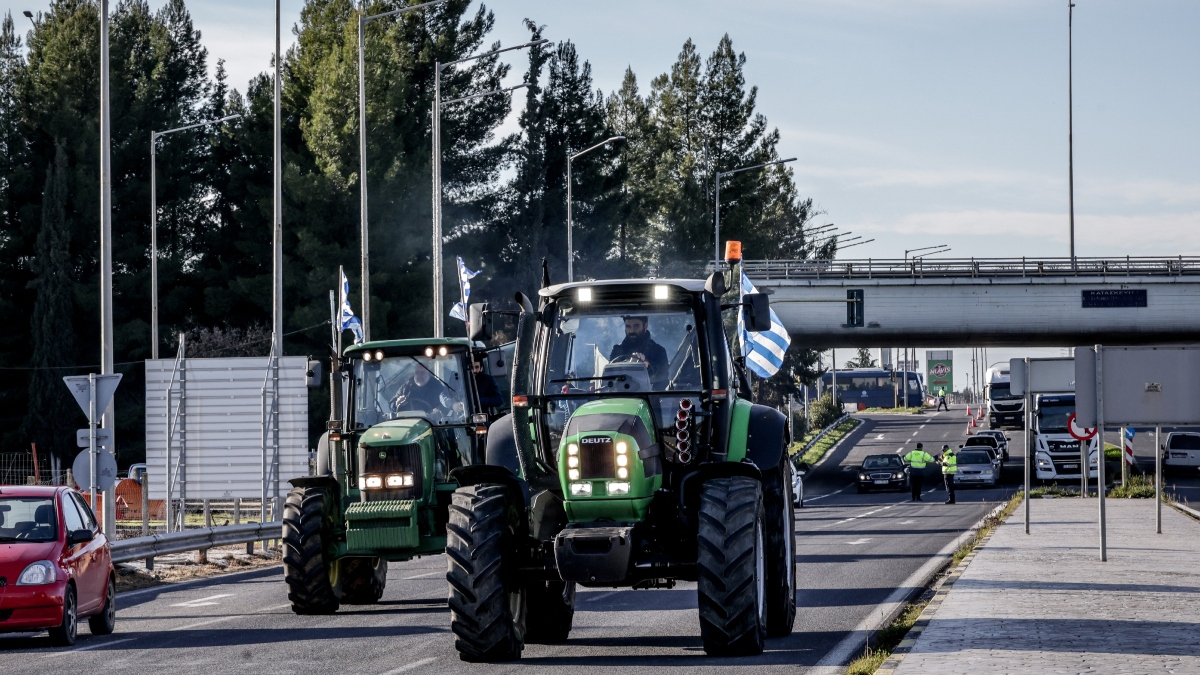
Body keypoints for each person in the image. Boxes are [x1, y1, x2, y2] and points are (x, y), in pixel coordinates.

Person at [609, 316, 669, 388]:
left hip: (650, 396)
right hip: (621, 395)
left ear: (645, 326)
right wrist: (628, 363)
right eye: (628, 326)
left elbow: (663, 377)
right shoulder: (617, 350)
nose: (631, 331)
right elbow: (611, 376)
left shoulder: (658, 351)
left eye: (636, 326)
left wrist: (646, 365)